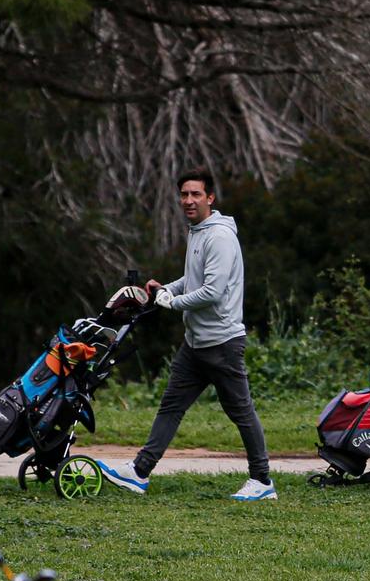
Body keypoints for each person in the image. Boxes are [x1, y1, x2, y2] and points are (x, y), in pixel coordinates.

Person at [98, 168, 275, 501]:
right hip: (195, 345)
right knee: (170, 408)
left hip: (222, 344)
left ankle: (262, 481)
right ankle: (139, 472)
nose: (189, 201)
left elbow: (213, 291)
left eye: (196, 194)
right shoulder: (197, 231)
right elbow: (193, 279)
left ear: (210, 198)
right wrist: (167, 287)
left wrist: (172, 301)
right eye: (184, 195)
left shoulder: (219, 236)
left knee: (241, 412)